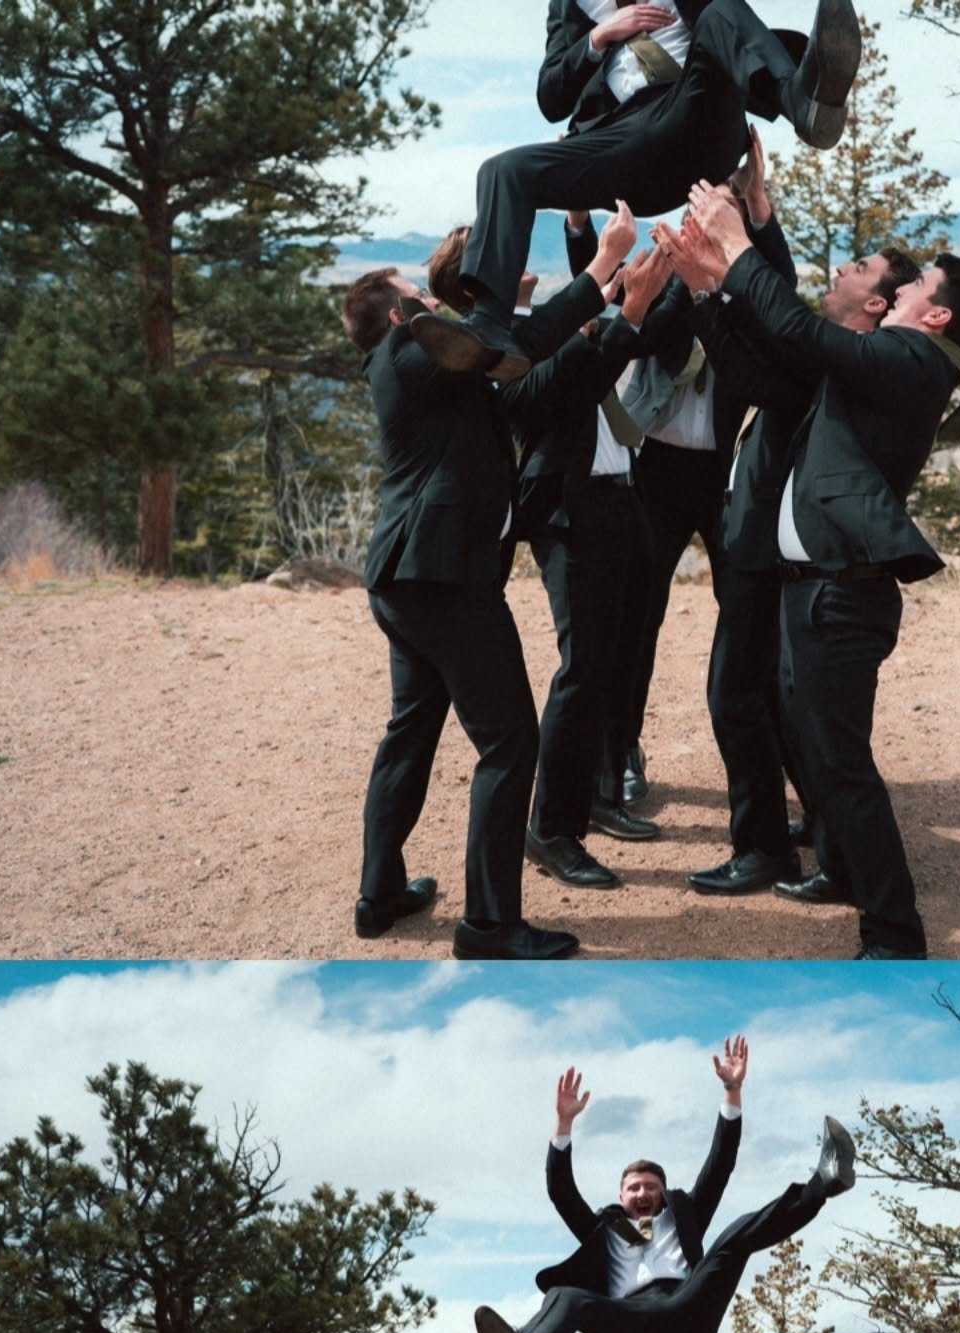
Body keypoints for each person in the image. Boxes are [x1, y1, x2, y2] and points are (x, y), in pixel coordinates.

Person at [663, 190, 960, 958]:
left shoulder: (910, 358)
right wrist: (710, 285)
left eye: (914, 290)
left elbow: (795, 329)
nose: (901, 296)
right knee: (818, 754)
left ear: (936, 316)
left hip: (839, 597)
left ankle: (893, 934)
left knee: (843, 768)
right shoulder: (883, 364)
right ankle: (846, 874)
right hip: (811, 590)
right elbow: (779, 356)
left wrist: (738, 246)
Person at [342, 206, 637, 959]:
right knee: (509, 743)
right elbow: (522, 338)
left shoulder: (435, 366)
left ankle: (380, 896)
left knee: (411, 730)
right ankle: (489, 924)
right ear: (396, 315)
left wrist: (618, 315)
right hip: (443, 580)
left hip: (412, 578)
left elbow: (531, 379)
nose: (429, 303)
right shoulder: (413, 352)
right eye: (417, 297)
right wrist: (600, 269)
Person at [409, 0, 863, 378]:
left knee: (719, 11)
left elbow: (733, 30)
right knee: (502, 170)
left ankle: (803, 104)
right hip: (622, 143)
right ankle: (490, 322)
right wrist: (599, 36)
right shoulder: (572, 5)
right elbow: (551, 97)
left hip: (696, 110)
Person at [563, 127, 799, 830]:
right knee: (636, 621)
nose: (707, 231)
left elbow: (779, 296)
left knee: (752, 622)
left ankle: (771, 770)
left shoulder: (752, 281)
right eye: (702, 219)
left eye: (719, 221)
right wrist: (596, 233)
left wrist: (757, 221)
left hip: (726, 475)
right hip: (656, 466)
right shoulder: (673, 269)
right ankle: (618, 759)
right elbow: (613, 302)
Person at [679, 221, 921, 897]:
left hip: (772, 552)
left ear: (876, 302)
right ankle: (828, 840)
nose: (843, 268)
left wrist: (719, 278)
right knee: (770, 702)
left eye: (860, 267)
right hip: (758, 542)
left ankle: (765, 849)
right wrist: (709, 293)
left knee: (739, 696)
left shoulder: (843, 356)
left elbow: (765, 350)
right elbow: (762, 355)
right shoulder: (833, 352)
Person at [472, 1036, 856, 1333]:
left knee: (735, 1236)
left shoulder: (684, 1216)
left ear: (664, 1194)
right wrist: (564, 1123)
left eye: (651, 1187)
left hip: (689, 1309)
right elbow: (561, 1192)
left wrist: (732, 1089)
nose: (643, 1193)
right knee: (565, 1295)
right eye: (634, 1188)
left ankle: (824, 1181)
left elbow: (720, 1163)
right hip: (634, 1328)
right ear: (621, 1197)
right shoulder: (607, 1234)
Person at [498, 244, 676, 887]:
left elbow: (636, 344)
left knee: (620, 661)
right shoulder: (514, 337)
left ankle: (601, 795)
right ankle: (550, 830)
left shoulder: (580, 324)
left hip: (622, 501)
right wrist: (609, 313)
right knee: (584, 670)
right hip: (570, 513)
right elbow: (537, 401)